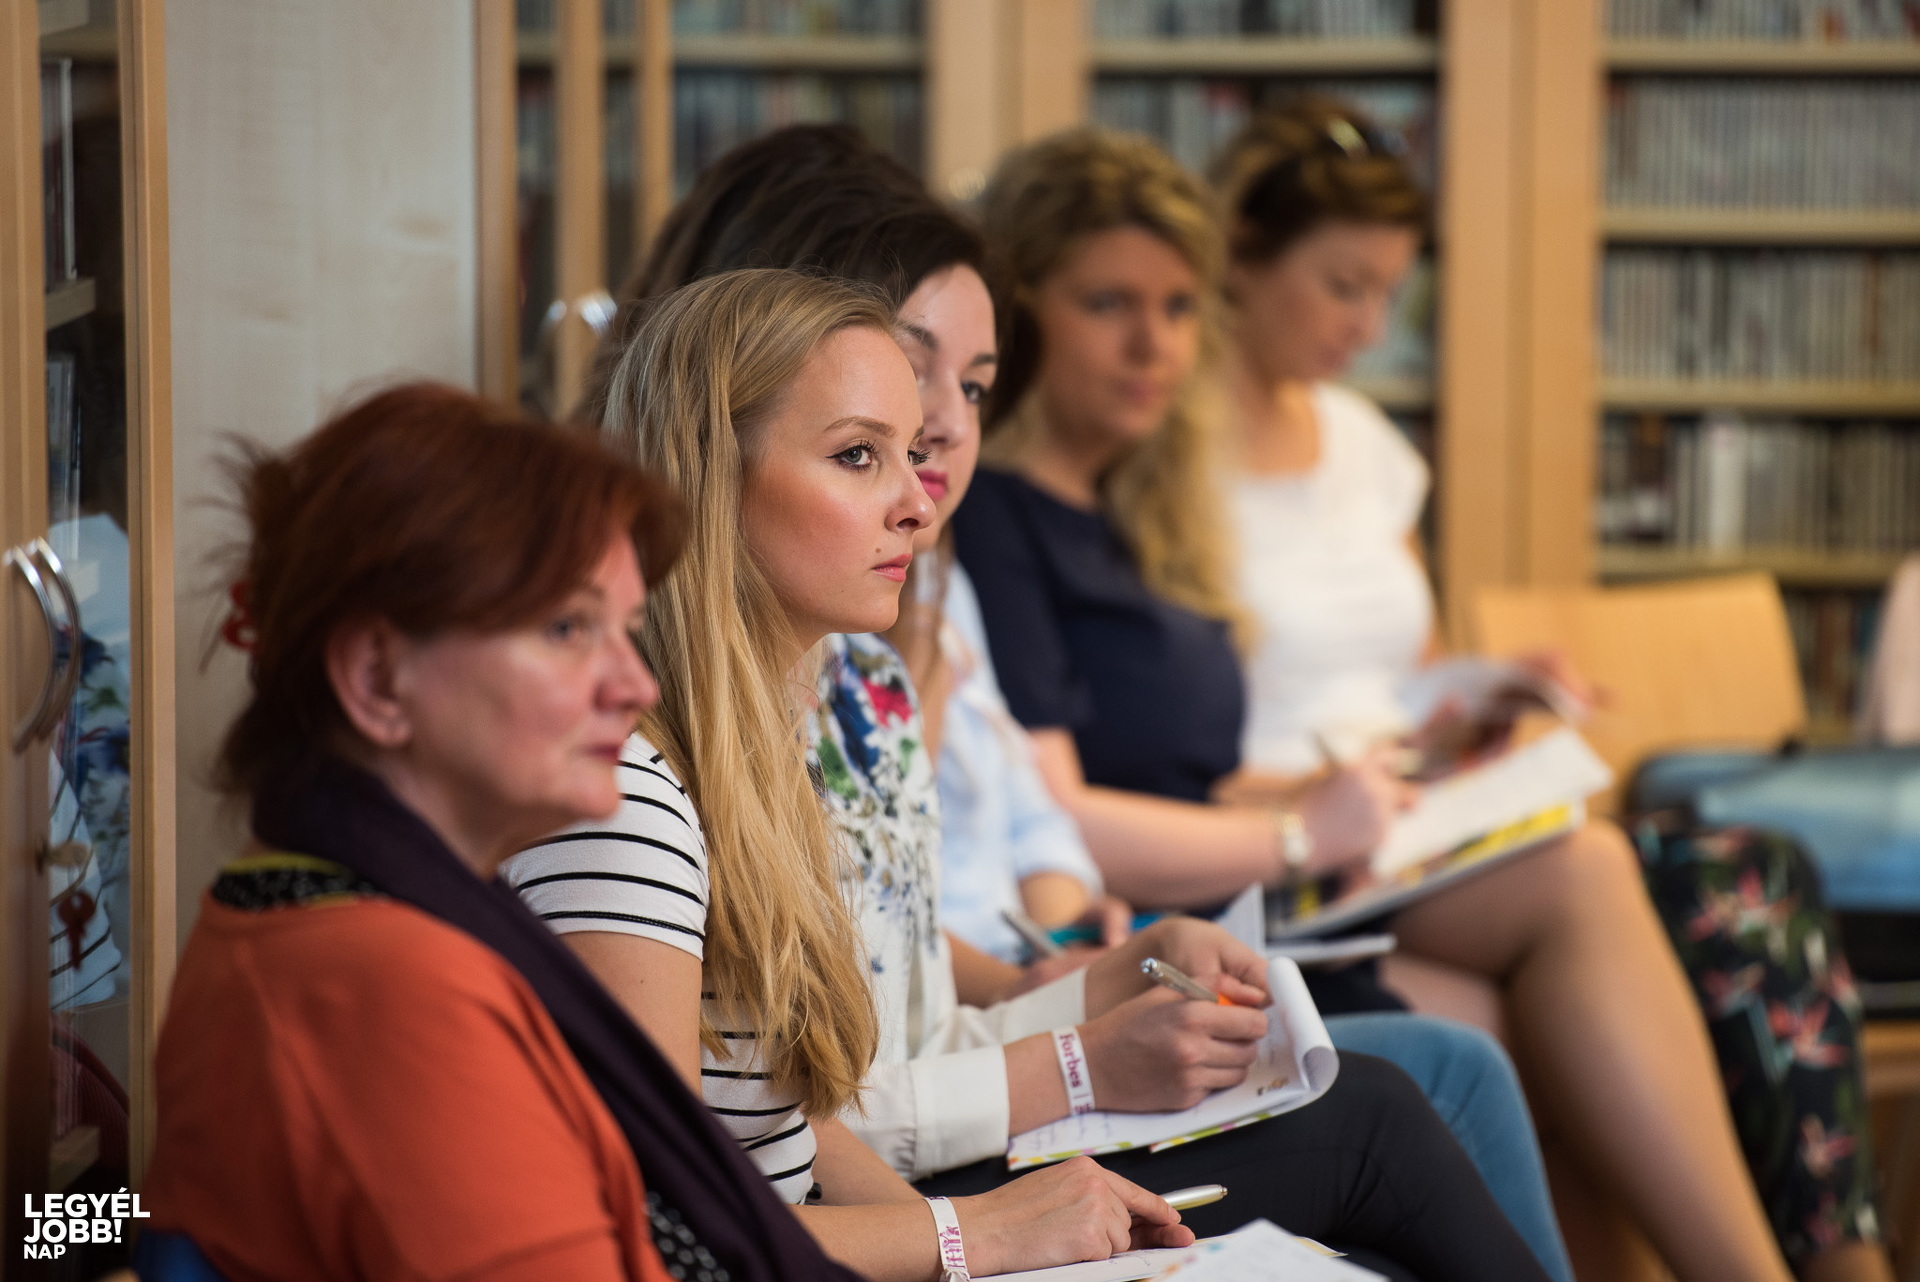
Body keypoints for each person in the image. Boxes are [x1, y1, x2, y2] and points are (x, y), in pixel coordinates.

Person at [515, 264, 1551, 1282]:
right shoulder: (627, 801)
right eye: (858, 457)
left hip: (862, 1219)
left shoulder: (760, 758)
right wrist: (976, 1232)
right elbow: (655, 1227)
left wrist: (971, 1227)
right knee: (1377, 1122)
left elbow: (788, 1125)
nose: (918, 504)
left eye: (924, 440)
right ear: (709, 478)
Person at [953, 124, 1803, 1282]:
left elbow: (1192, 771)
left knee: (1545, 989)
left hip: (1244, 880)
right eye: (1110, 304)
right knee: (1563, 920)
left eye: (1179, 307)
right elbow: (1060, 814)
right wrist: (1300, 831)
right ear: (1023, 312)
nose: (1156, 343)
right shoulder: (997, 517)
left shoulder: (1133, 511)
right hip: (1178, 920)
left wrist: (1368, 781)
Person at [1208, 99, 1892, 1282]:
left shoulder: (1365, 444)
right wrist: (1332, 795)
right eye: (1342, 285)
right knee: (1614, 875)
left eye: (1389, 293)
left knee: (1752, 878)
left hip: (1414, 814)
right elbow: (1173, 721)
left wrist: (1483, 700)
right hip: (1303, 836)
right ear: (1241, 258)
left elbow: (1400, 676)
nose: (1368, 324)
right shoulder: (1173, 467)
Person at [142, 384, 873, 1282]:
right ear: (377, 678)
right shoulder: (388, 986)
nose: (634, 685)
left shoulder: (351, 909)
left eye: (625, 630)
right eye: (568, 628)